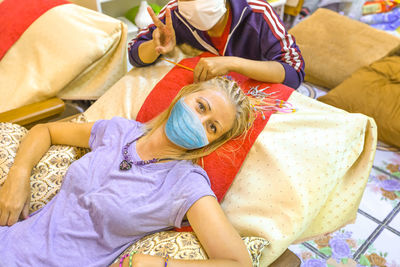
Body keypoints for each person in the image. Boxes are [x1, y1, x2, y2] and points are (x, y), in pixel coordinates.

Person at [0, 77, 255, 267]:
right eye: (201, 106)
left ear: (211, 142)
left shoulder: (186, 184)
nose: (199, 122)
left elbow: (237, 263)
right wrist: (19, 174)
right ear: (184, 95)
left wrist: (159, 264)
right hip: (10, 241)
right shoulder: (120, 131)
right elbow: (45, 130)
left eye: (212, 127)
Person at [128, 0, 305, 89]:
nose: (196, 5)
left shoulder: (257, 12)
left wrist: (232, 63)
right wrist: (155, 46)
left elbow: (294, 73)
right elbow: (134, 55)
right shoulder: (173, 14)